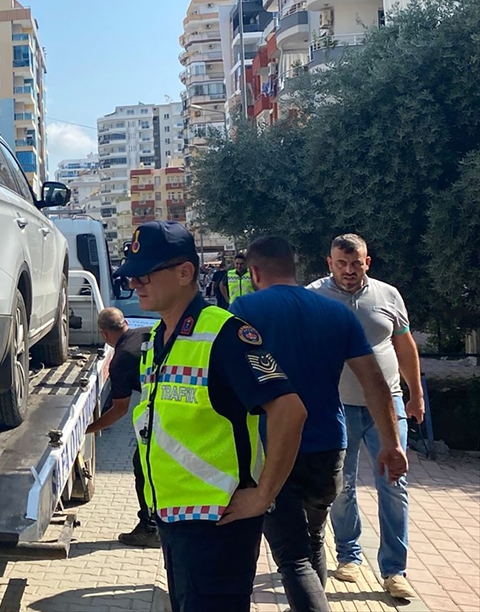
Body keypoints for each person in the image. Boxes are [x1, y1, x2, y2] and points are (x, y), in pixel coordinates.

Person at [115, 221, 307, 612]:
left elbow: (290, 410)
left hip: (218, 524)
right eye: (130, 277)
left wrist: (264, 495)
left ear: (185, 272)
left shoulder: (225, 333)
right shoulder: (157, 339)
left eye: (144, 275)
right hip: (175, 518)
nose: (135, 285)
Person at [230, 236, 408, 612]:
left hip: (275, 449)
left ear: (255, 272)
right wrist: (392, 444)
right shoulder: (336, 313)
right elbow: (375, 382)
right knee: (311, 541)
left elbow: (233, 378)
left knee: (292, 558)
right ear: (295, 268)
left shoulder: (245, 308)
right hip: (330, 448)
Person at [308, 234, 424, 600]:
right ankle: (349, 555)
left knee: (395, 484)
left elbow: (404, 346)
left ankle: (394, 570)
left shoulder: (388, 295)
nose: (348, 271)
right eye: (341, 264)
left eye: (355, 263)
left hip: (387, 406)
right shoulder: (314, 296)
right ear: (330, 263)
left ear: (367, 262)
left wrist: (416, 394)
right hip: (337, 406)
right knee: (341, 486)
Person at [86, 307, 156, 548]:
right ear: (125, 322)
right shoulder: (147, 332)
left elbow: (119, 410)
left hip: (160, 417)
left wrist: (89, 428)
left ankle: (150, 528)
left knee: (143, 467)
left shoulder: (121, 359)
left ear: (104, 334)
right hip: (181, 404)